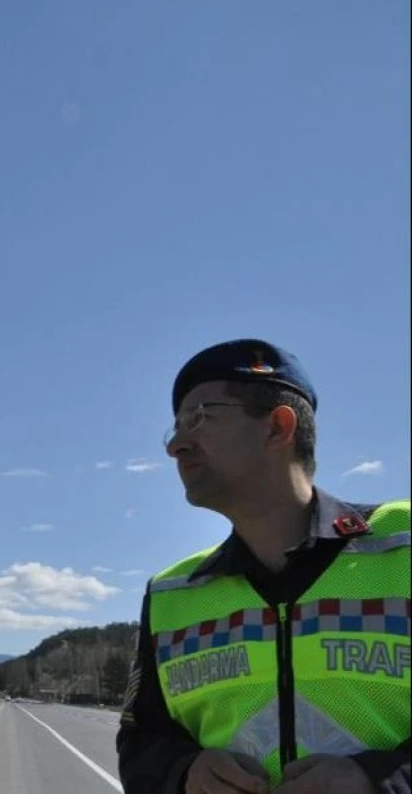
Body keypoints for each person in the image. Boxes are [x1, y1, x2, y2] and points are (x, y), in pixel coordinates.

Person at [116, 338, 410, 794]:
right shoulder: (172, 593)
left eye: (200, 416)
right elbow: (140, 740)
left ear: (277, 427)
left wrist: (381, 779)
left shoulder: (403, 546)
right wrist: (185, 773)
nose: (176, 445)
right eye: (173, 427)